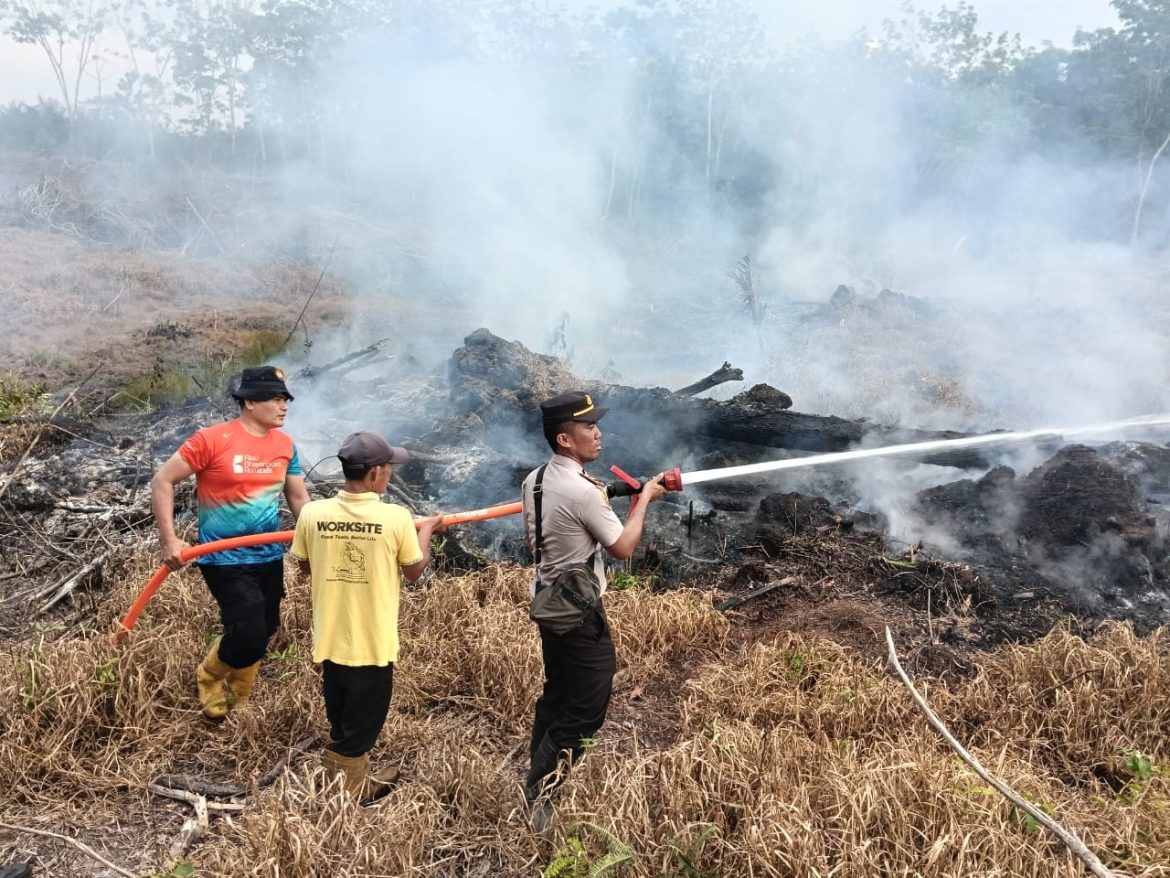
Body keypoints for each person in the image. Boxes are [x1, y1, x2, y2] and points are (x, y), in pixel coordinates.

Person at [520, 390, 666, 828]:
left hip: (548, 601)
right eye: (588, 427)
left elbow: (536, 538)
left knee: (557, 692)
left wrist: (601, 497)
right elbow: (621, 547)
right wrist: (642, 503)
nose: (598, 433)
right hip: (581, 613)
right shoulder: (583, 493)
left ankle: (536, 767)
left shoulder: (535, 480)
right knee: (587, 709)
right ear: (566, 439)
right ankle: (539, 792)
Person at [289, 430, 445, 803]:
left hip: (329, 636)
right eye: (389, 467)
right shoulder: (395, 518)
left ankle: (348, 770)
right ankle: (350, 787)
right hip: (371, 639)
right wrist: (425, 532)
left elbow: (304, 565)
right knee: (365, 720)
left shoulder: (312, 513)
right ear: (375, 473)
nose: (390, 474)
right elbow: (413, 570)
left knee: (342, 708)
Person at [151, 365, 310, 721]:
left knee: (266, 627)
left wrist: (317, 537)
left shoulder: (285, 446)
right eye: (275, 398)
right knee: (251, 630)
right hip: (223, 558)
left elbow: (299, 499)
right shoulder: (211, 440)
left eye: (286, 399)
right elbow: (163, 480)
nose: (284, 406)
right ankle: (210, 675)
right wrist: (170, 540)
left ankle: (240, 688)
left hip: (268, 555)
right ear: (250, 402)